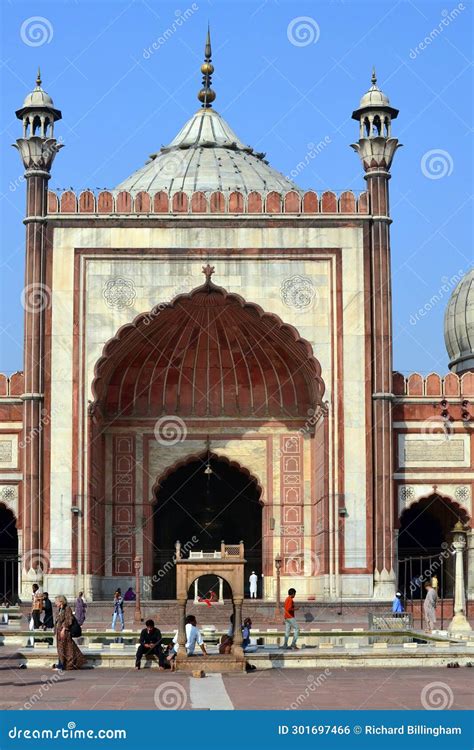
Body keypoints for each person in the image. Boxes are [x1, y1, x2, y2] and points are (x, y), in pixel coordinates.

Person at [54, 595, 86, 671]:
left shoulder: (67, 608)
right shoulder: (59, 609)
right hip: (59, 632)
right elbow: (57, 621)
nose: (55, 603)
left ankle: (63, 665)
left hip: (65, 632)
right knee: (61, 648)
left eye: (56, 602)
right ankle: (61, 664)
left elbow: (69, 620)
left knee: (65, 648)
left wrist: (64, 629)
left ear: (61, 601)